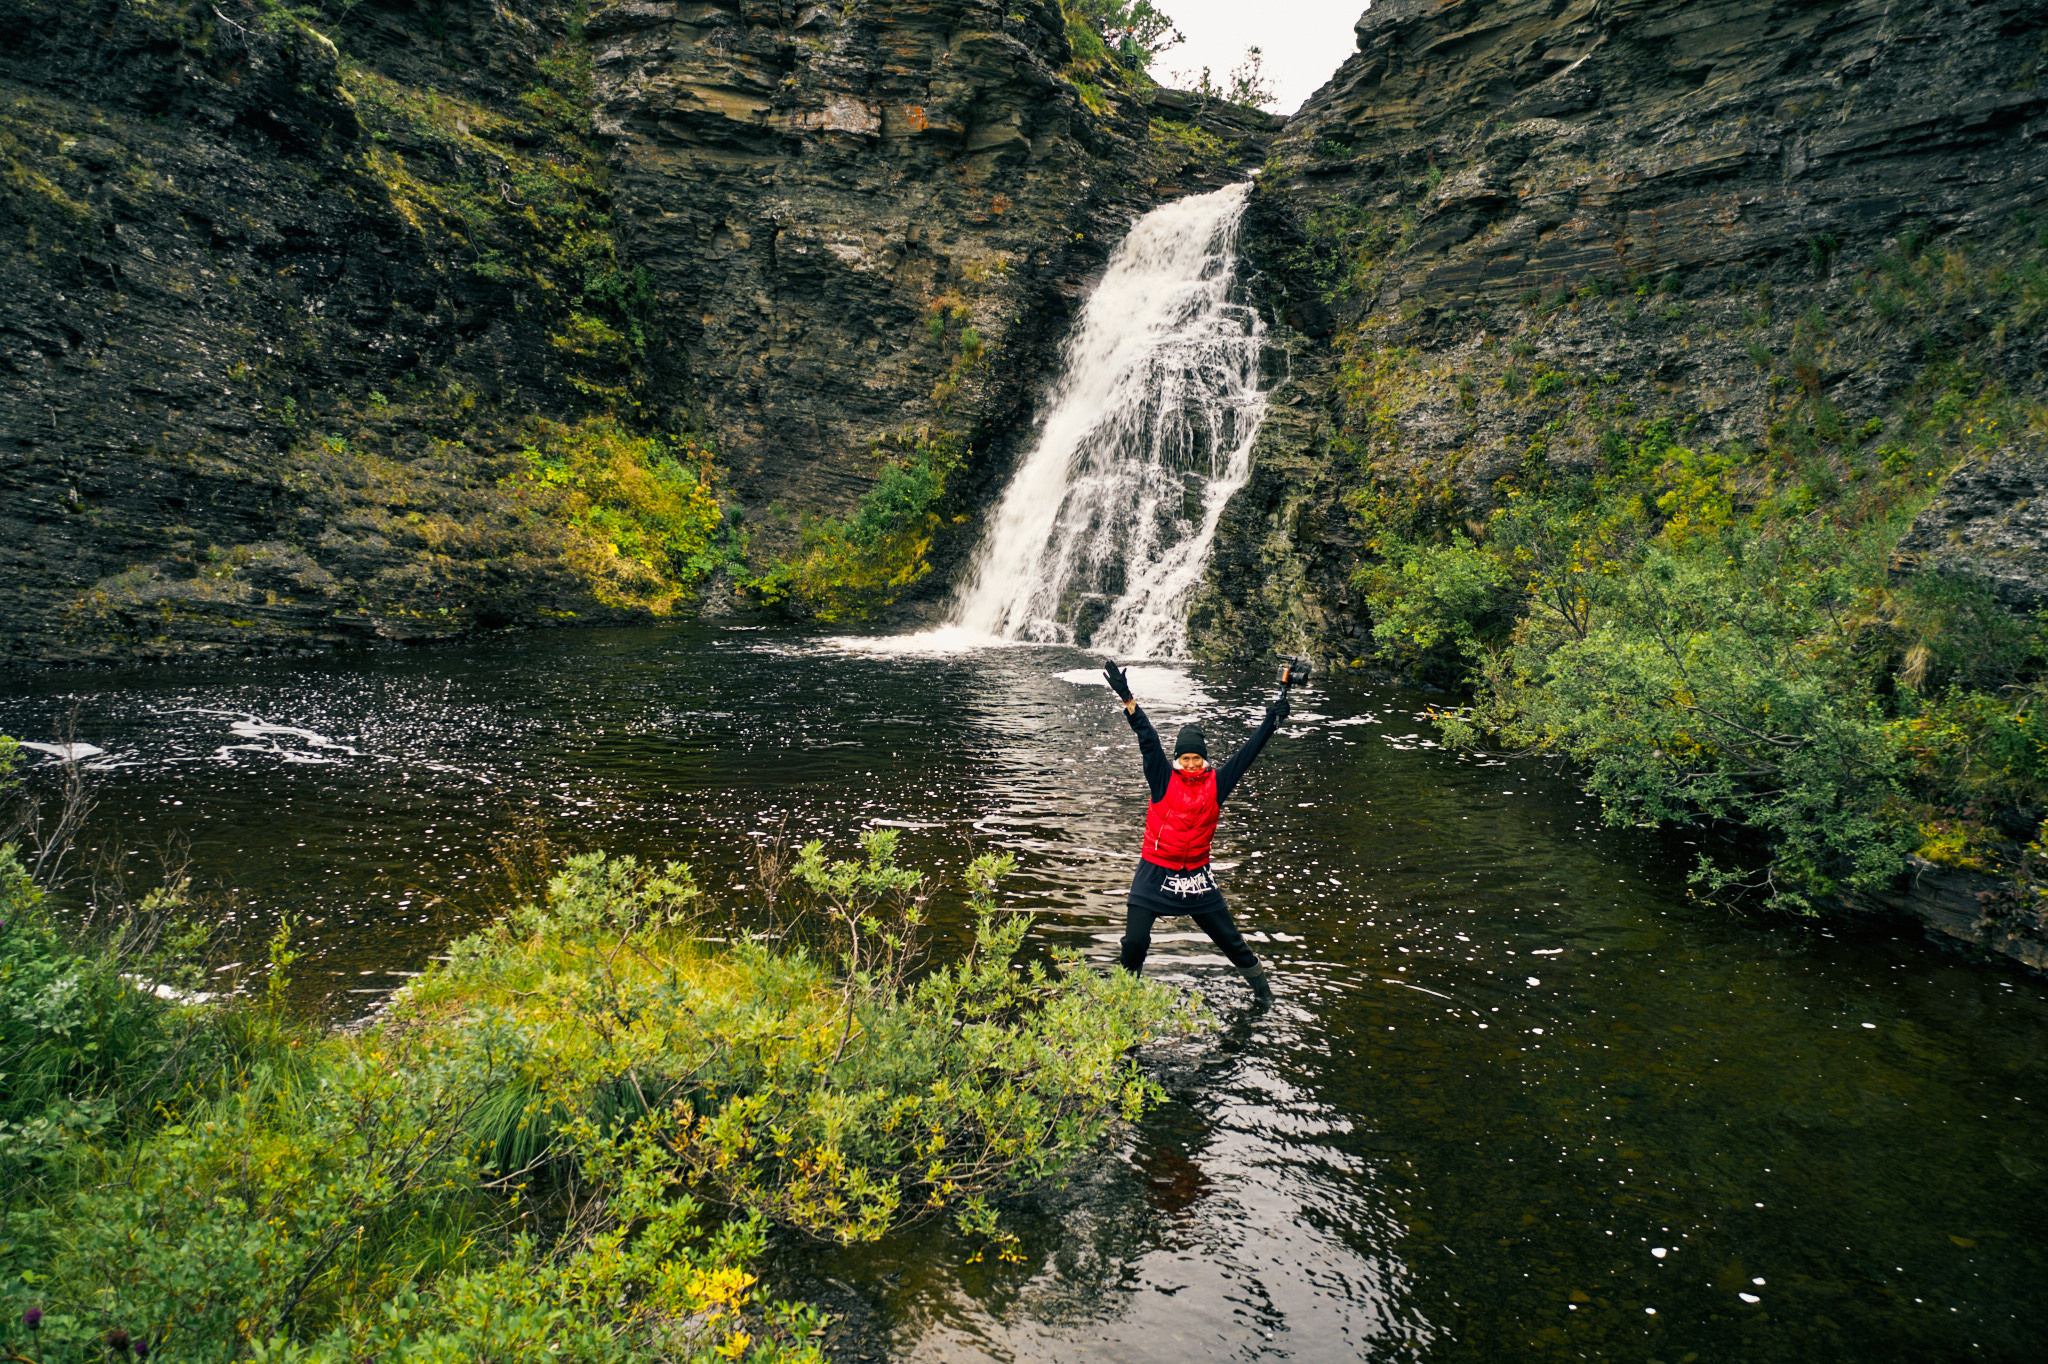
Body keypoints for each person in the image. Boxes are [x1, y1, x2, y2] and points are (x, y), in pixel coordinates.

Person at [1101, 659, 1288, 994]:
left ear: (1204, 759)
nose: (1190, 763)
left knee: (1233, 943)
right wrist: (1128, 698)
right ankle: (1124, 996)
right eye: (1184, 758)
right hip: (1155, 872)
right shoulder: (1161, 777)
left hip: (1196, 877)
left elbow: (1248, 754)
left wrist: (1270, 723)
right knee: (1135, 941)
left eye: (1196, 758)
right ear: (1177, 759)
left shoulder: (1217, 783)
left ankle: (1263, 994)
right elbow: (1148, 737)